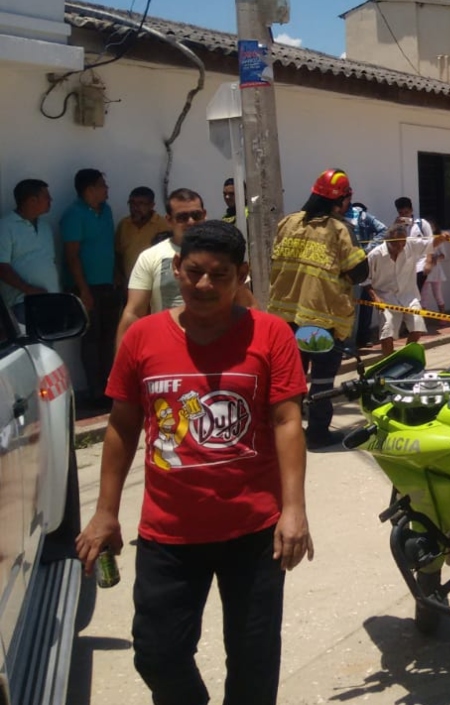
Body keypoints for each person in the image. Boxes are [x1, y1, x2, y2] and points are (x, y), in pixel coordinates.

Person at [76, 219, 313, 705]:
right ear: (176, 271)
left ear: (241, 274)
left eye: (220, 275)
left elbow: (288, 420)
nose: (205, 285)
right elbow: (121, 425)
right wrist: (105, 512)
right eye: (195, 272)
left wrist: (294, 510)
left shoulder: (269, 335)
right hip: (169, 533)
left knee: (253, 660)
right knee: (156, 653)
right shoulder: (142, 338)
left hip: (254, 532)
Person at [268, 169, 369, 449]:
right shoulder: (339, 230)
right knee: (323, 381)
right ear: (343, 199)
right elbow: (359, 272)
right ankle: (317, 434)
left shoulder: (287, 223)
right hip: (320, 321)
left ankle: (284, 433)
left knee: (291, 379)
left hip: (284, 320)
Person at [117, 188, 256, 349]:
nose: (191, 222)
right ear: (169, 220)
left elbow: (247, 306)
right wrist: (121, 366)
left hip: (220, 346)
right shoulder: (150, 257)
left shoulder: (224, 254)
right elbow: (133, 313)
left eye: (196, 215)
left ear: (204, 215)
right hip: (168, 347)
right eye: (182, 217)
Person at [61, 168, 118, 406]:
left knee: (110, 337)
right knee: (92, 339)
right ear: (89, 189)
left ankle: (110, 387)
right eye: (102, 185)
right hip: (87, 287)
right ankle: (95, 391)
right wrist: (83, 289)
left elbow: (110, 245)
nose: (107, 189)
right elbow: (72, 255)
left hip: (108, 284)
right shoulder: (73, 214)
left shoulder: (106, 211)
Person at [365, 218, 446, 354]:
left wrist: (442, 238)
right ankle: (388, 363)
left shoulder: (410, 245)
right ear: (388, 240)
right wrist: (375, 298)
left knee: (417, 326)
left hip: (409, 296)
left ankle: (404, 357)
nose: (400, 248)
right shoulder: (375, 255)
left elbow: (430, 244)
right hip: (386, 298)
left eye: (403, 244)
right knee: (387, 331)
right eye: (396, 245)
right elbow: (365, 281)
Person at [0, 179, 60, 325]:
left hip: (50, 300)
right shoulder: (6, 227)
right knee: (30, 347)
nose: (50, 200)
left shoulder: (45, 227)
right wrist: (28, 289)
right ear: (32, 200)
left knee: (47, 347)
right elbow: (2, 267)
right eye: (46, 197)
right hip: (23, 303)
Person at [346, 202, 388, 347]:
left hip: (363, 266)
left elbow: (383, 230)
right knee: (352, 307)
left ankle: (363, 338)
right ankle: (349, 344)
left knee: (366, 304)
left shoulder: (361, 216)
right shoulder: (334, 219)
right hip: (347, 268)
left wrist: (367, 249)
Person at [116, 186, 166, 283]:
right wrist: (120, 278)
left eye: (141, 204)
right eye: (132, 203)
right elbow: (118, 254)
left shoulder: (163, 225)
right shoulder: (124, 224)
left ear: (152, 205)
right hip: (129, 284)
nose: (135, 208)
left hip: (155, 284)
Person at [393, 197, 436, 293]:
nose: (404, 216)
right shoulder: (398, 226)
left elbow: (430, 242)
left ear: (411, 210)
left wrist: (428, 262)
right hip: (404, 265)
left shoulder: (422, 224)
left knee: (415, 292)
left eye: (406, 212)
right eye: (401, 213)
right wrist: (395, 227)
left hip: (420, 264)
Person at [419, 220, 447, 321]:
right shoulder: (422, 241)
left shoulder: (438, 240)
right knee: (423, 297)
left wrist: (435, 260)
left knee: (438, 295)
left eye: (432, 227)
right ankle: (422, 321)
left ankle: (443, 317)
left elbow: (443, 255)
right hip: (425, 272)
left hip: (436, 272)